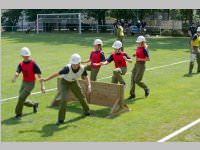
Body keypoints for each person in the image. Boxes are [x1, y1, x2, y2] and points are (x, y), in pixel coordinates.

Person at [41, 54, 91, 125]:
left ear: (79, 63)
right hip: (64, 82)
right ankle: (60, 119)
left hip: (74, 82)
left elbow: (86, 77)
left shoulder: (82, 68)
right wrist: (46, 79)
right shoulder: (67, 68)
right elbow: (57, 73)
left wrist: (89, 85)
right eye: (72, 63)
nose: (73, 65)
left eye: (75, 64)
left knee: (81, 96)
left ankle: (87, 111)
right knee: (63, 99)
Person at [12, 47, 45, 119]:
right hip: (24, 83)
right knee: (22, 99)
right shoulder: (21, 64)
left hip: (31, 83)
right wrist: (15, 77)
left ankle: (18, 114)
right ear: (22, 56)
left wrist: (42, 86)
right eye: (25, 56)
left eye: (28, 55)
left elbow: (39, 75)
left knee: (21, 97)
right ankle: (34, 105)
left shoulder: (33, 63)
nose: (27, 57)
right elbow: (17, 71)